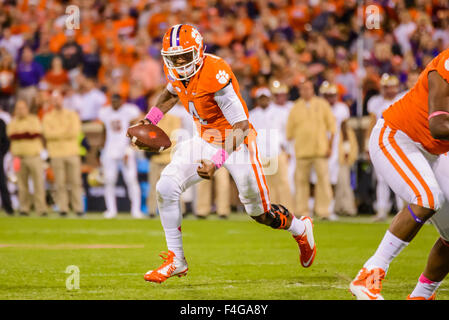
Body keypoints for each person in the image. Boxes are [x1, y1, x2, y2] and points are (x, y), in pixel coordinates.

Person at [133, 24, 316, 283]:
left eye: (185, 56)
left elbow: (240, 128)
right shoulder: (174, 70)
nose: (180, 63)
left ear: (198, 51)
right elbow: (170, 93)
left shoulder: (216, 73)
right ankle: (177, 259)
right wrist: (150, 120)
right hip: (204, 138)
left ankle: (301, 228)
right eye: (174, 58)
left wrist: (217, 161)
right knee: (166, 187)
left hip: (237, 143)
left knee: (260, 214)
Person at [350, 48, 449, 300]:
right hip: (397, 135)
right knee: (427, 198)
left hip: (434, 151)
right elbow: (438, 126)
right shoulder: (446, 63)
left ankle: (422, 295)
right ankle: (369, 274)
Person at [287, 80, 336, 219]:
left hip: (320, 149)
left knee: (323, 181)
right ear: (300, 91)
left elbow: (332, 128)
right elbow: (289, 133)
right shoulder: (295, 107)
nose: (306, 91)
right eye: (303, 89)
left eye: (308, 88)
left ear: (312, 89)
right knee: (301, 182)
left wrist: (330, 146)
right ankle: (302, 211)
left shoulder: (322, 104)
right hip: (302, 151)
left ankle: (324, 211)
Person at [365, 74, 405, 221]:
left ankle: (404, 210)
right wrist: (367, 145)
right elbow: (371, 123)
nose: (389, 90)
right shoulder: (375, 102)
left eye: (392, 86)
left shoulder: (403, 98)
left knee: (401, 177)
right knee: (381, 179)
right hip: (381, 143)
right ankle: (382, 209)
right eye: (386, 87)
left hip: (399, 142)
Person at [98, 93, 144, 219]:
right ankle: (111, 210)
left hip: (125, 150)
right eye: (113, 101)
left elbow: (139, 121)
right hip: (110, 149)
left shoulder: (129, 110)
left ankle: (136, 210)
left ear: (122, 101)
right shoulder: (105, 112)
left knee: (131, 180)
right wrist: (101, 149)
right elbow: (104, 130)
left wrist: (130, 147)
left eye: (117, 101)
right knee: (109, 180)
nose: (115, 104)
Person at [249, 87, 293, 210]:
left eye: (265, 98)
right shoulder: (252, 115)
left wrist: (288, 150)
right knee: (266, 184)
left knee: (283, 181)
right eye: (261, 98)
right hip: (261, 153)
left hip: (278, 151)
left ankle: (287, 209)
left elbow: (287, 132)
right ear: (257, 99)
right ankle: (271, 209)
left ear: (269, 98)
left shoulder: (281, 112)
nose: (263, 100)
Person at [42, 90, 83, 217]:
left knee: (75, 182)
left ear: (62, 99)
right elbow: (48, 134)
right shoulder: (47, 117)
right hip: (56, 154)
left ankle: (78, 208)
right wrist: (65, 131)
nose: (56, 101)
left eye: (58, 98)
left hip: (71, 152)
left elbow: (75, 132)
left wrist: (57, 133)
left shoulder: (72, 115)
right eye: (54, 99)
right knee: (60, 183)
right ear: (51, 102)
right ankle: (63, 208)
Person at [319, 81, 356, 216]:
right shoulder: (319, 107)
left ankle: (339, 207)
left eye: (333, 95)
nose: (330, 98)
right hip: (321, 144)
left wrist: (346, 149)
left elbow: (345, 130)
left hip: (337, 145)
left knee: (339, 179)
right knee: (322, 180)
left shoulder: (341, 108)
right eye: (327, 95)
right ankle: (324, 207)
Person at [7, 100, 47, 216]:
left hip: (34, 156)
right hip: (18, 157)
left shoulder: (34, 119)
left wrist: (21, 135)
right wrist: (26, 134)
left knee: (38, 183)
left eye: (22, 108)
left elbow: (36, 134)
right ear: (15, 110)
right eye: (18, 108)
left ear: (27, 109)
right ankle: (24, 208)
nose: (20, 110)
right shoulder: (12, 122)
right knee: (21, 184)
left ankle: (41, 208)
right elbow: (11, 135)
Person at [0, 117, 13, 214]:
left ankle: (8, 208)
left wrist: (1, 153)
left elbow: (6, 141)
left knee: (2, 182)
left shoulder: (1, 122)